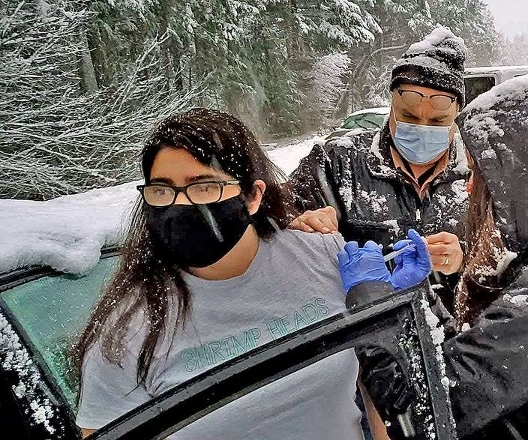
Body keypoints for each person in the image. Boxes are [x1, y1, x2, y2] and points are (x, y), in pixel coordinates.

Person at [73, 108, 429, 438]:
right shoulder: (126, 331)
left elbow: (371, 385)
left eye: (204, 186)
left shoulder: (320, 254)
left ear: (252, 196)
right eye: (162, 189)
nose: (181, 204)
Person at [341, 74, 528, 439]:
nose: (469, 186)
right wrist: (417, 300)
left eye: (480, 173)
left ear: (524, 176)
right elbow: (479, 364)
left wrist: (373, 307)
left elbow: (427, 414)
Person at [289, 27, 471, 308]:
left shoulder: (477, 174)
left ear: (456, 113)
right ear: (391, 106)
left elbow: (506, 261)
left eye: (437, 122)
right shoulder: (337, 162)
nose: (422, 129)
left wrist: (465, 258)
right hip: (363, 336)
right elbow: (266, 224)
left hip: (450, 339)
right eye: (408, 116)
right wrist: (298, 223)